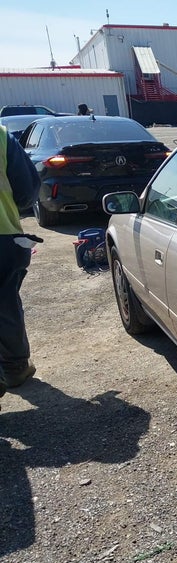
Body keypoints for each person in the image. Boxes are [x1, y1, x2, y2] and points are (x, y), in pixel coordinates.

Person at [0, 124, 41, 398]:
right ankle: (14, 368)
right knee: (4, 303)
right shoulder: (1, 136)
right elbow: (27, 190)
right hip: (2, 235)